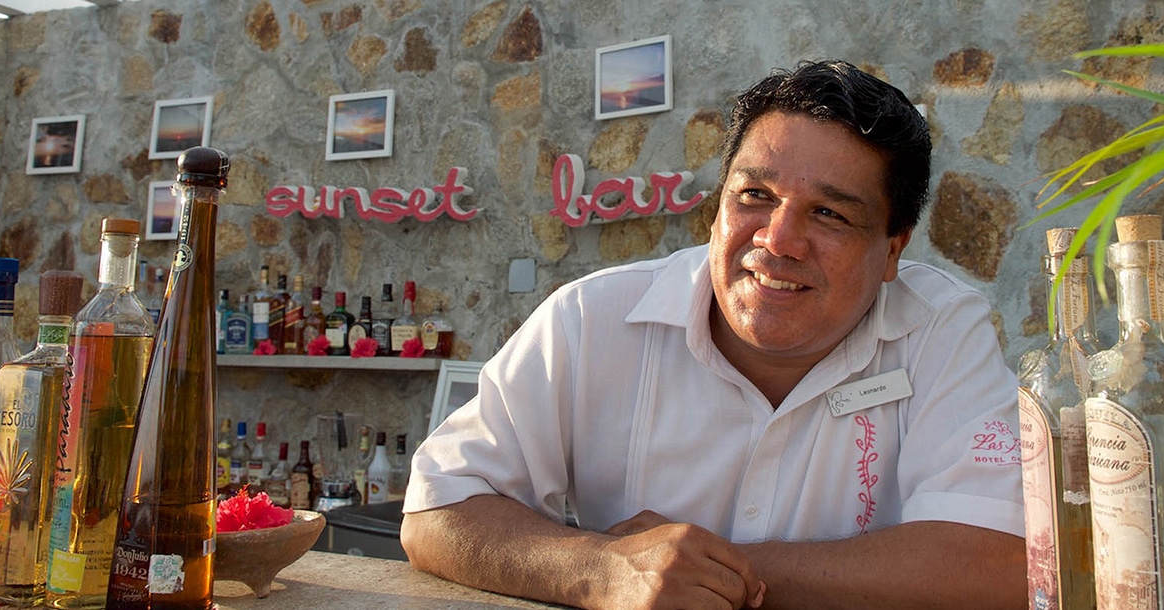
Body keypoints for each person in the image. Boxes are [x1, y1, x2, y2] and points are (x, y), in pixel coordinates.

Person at [401, 59, 1025, 610]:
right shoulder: (591, 319)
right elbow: (436, 510)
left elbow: (997, 564)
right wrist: (599, 569)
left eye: (830, 213)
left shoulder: (941, 328)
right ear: (717, 206)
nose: (777, 241)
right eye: (755, 194)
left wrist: (697, 571)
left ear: (892, 251)